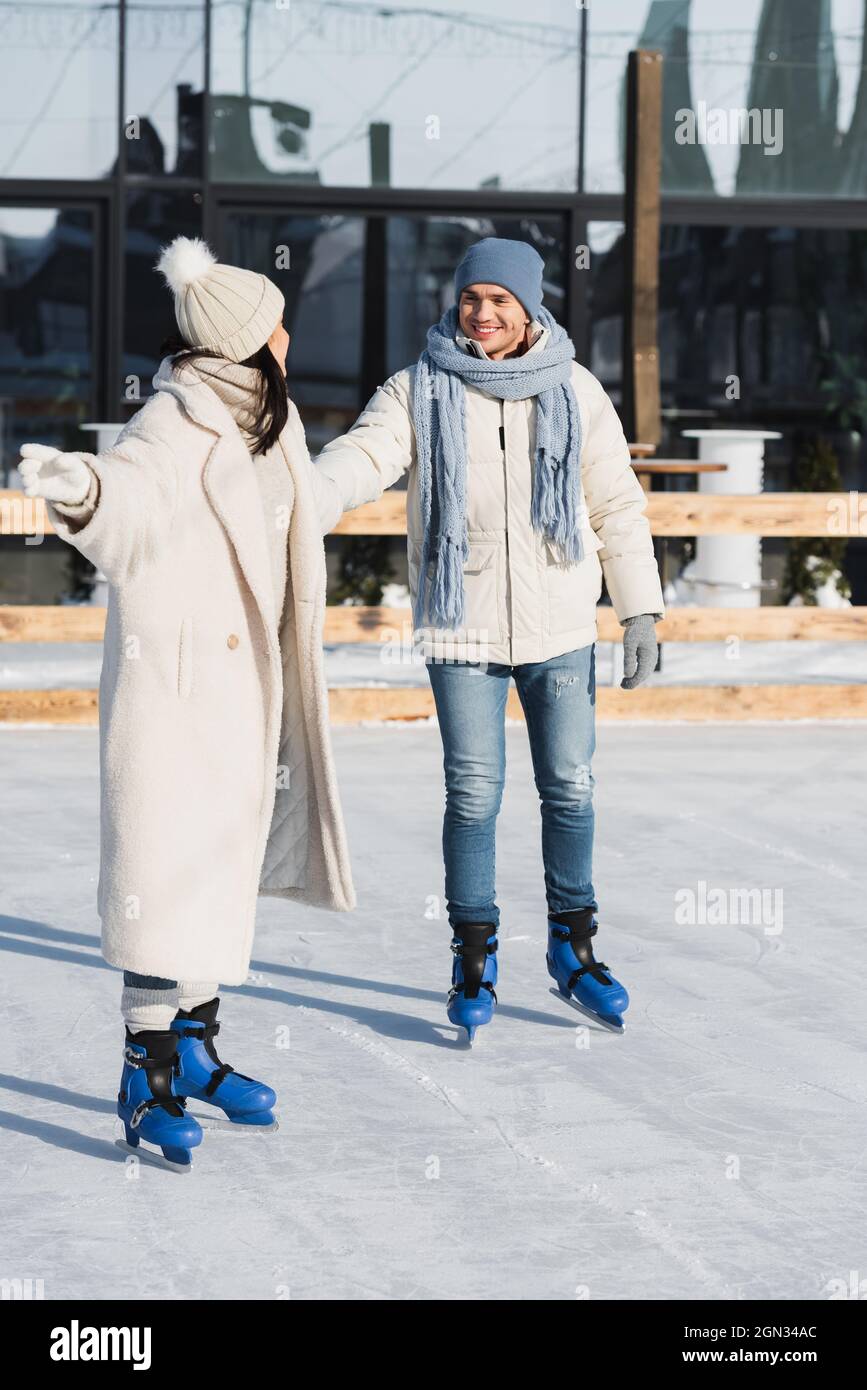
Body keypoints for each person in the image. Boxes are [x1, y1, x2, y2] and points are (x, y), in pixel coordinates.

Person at [19, 237, 354, 1168]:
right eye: (278, 319)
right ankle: (145, 1071)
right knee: (161, 878)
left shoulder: (267, 419)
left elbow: (305, 507)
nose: (290, 331)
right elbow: (127, 501)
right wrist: (79, 491)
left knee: (216, 870)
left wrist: (386, 449)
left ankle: (199, 1050)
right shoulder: (172, 422)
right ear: (250, 336)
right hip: (177, 696)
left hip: (248, 695)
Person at [314, 236, 664, 1043]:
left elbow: (615, 506)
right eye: (472, 298)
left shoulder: (575, 390)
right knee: (472, 795)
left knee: (569, 786)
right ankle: (473, 956)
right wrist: (303, 493)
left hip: (561, 623)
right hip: (462, 623)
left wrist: (638, 609)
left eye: (499, 300)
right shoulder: (417, 390)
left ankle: (574, 952)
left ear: (529, 305)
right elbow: (364, 456)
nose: (483, 313)